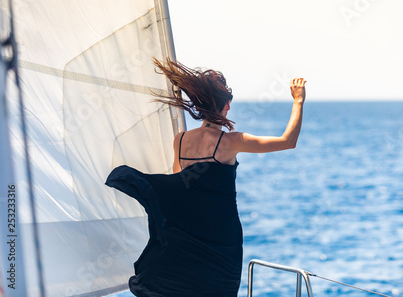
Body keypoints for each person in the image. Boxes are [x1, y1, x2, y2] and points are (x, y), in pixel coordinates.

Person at [105, 58, 306, 296]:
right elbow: (288, 141)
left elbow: (180, 184)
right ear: (226, 105)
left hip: (189, 239)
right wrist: (298, 100)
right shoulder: (231, 142)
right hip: (223, 239)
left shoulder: (180, 141)